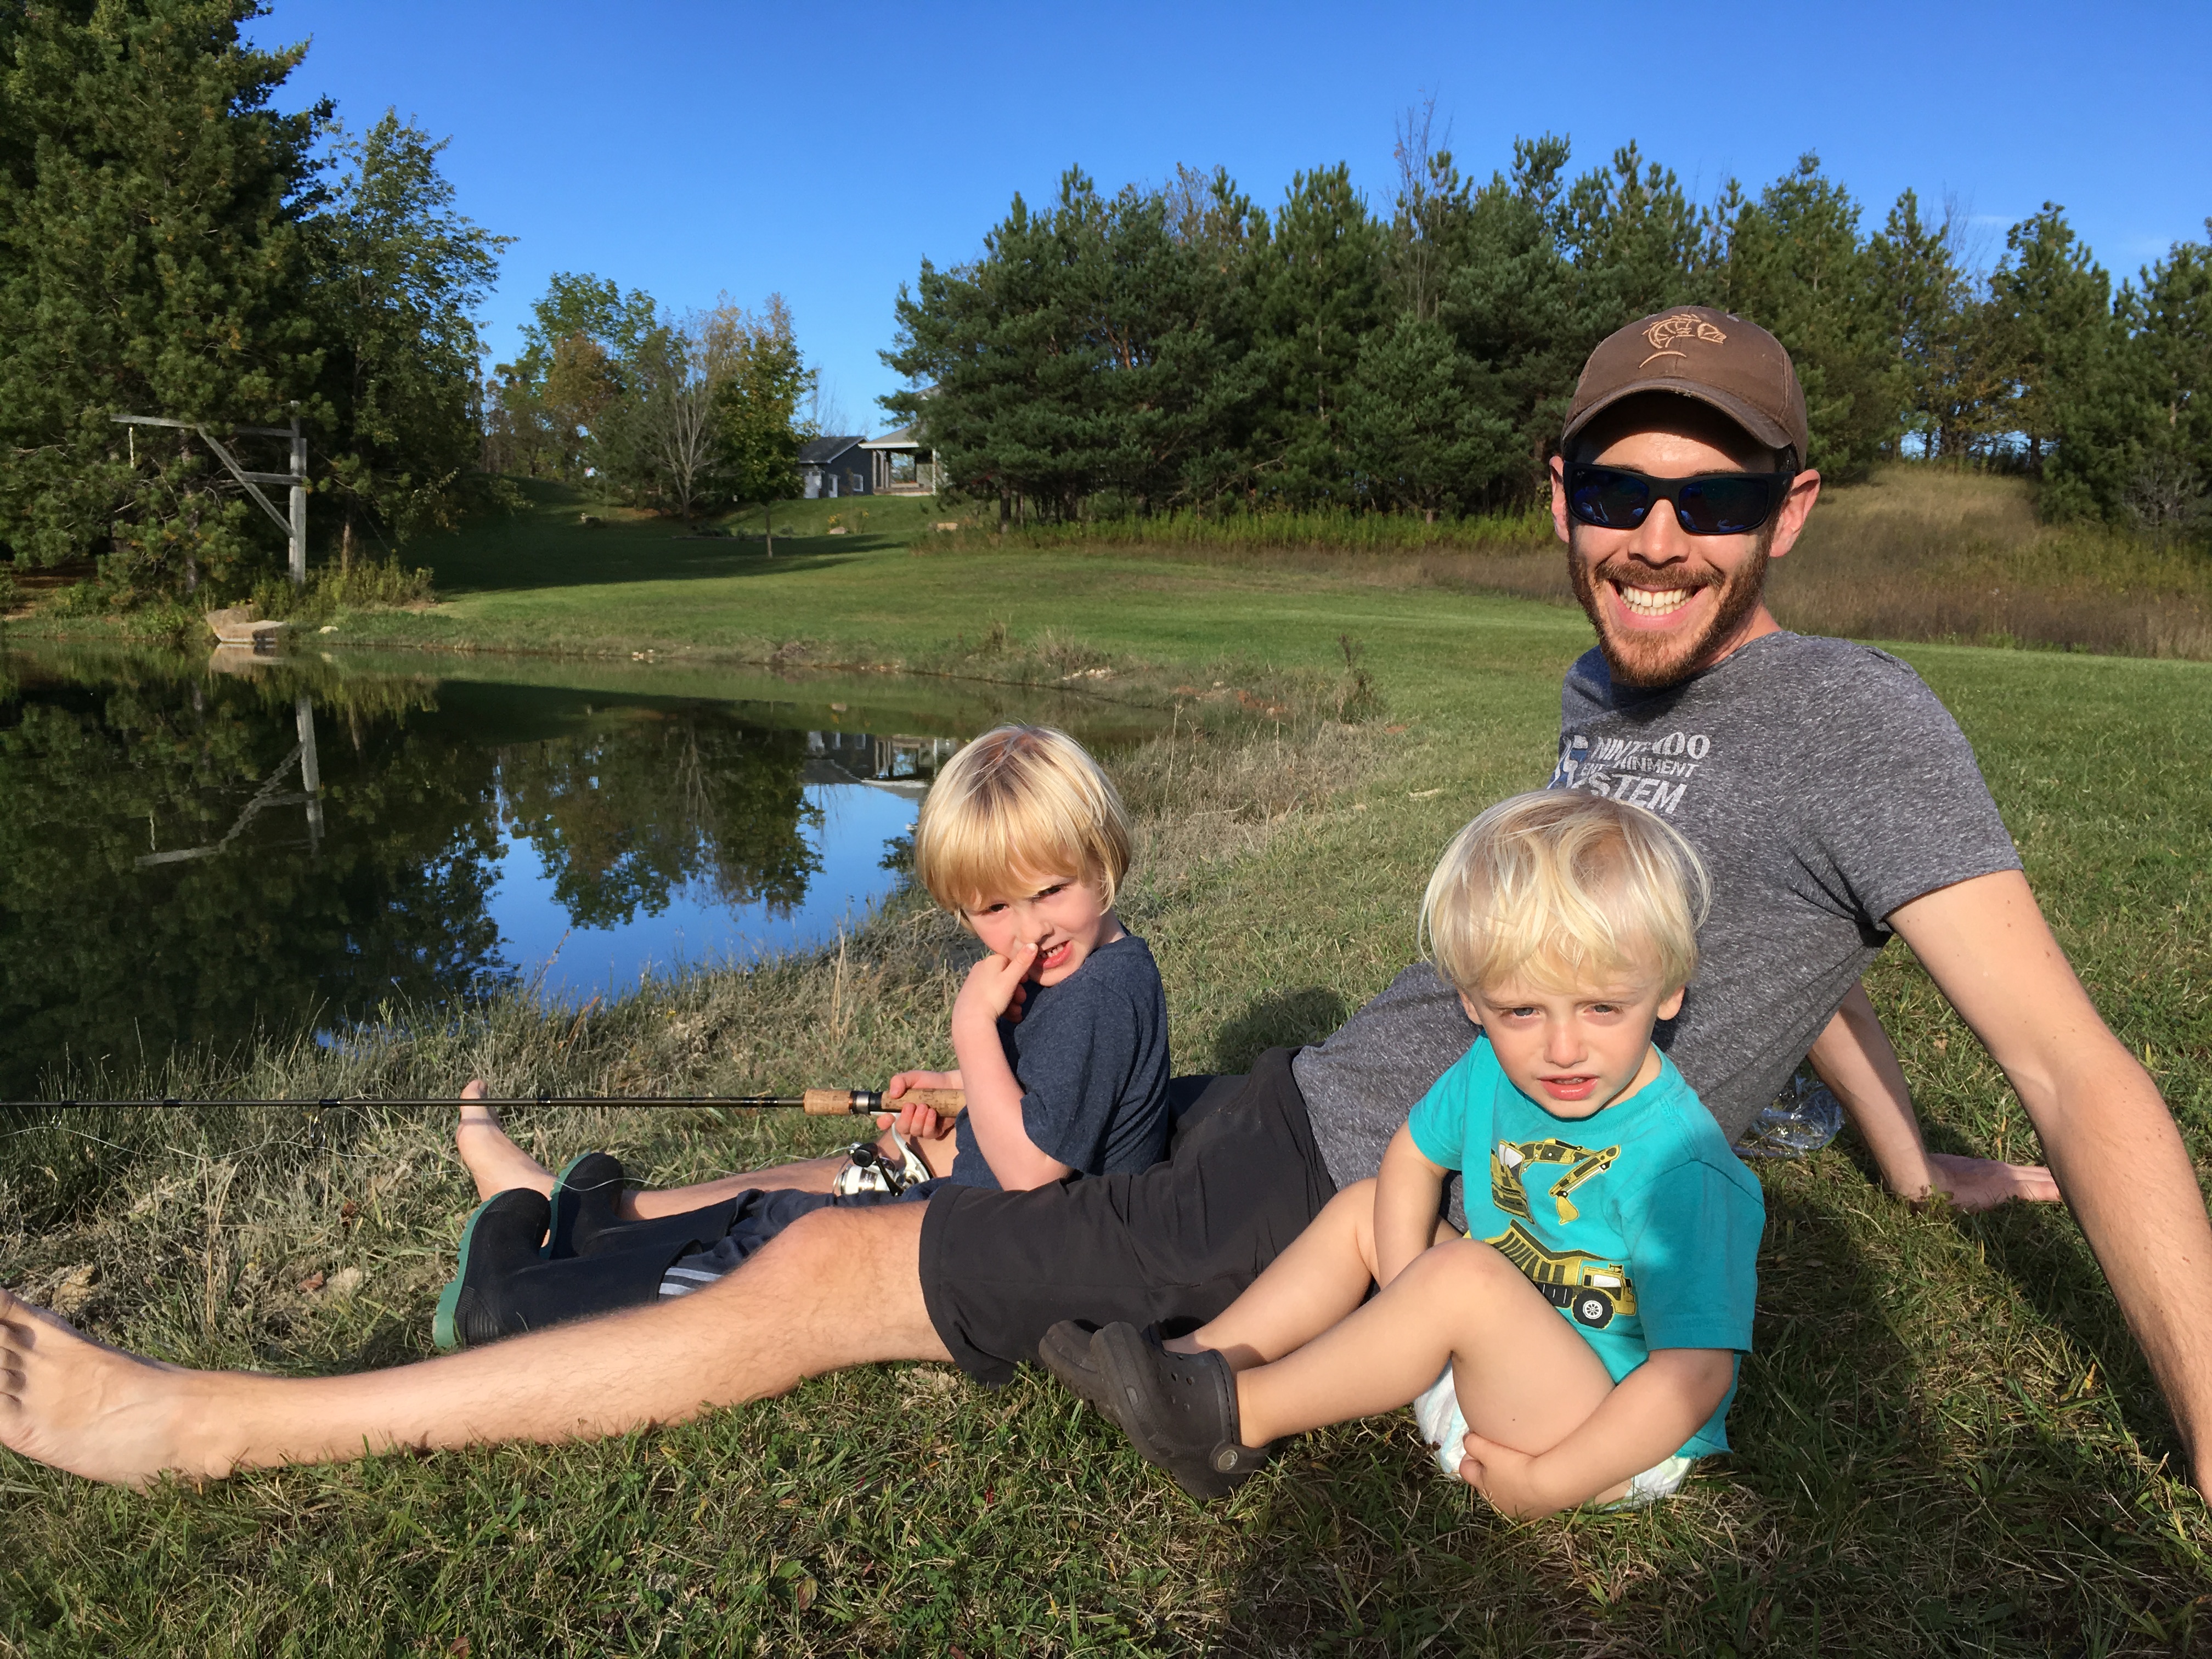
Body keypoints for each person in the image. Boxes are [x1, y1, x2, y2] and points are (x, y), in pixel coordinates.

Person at [5, 308, 2207, 1497]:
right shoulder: (1606, 675)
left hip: (1353, 1170)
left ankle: (197, 1426)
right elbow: (1705, 952)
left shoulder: (1867, 719)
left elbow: (2082, 1065)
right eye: (1616, 489)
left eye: (1708, 492)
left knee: (853, 1275)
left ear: (1789, 507)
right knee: (929, 1150)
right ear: (1561, 495)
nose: (1654, 532)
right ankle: (584, 1232)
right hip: (1322, 1106)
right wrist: (1908, 1161)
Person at [1049, 792, 1763, 1516]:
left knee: (1465, 1278)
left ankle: (1236, 1421)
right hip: (1495, 1362)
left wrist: (1550, 1483)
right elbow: (1413, 1157)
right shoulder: (1491, 1070)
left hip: (1603, 1438)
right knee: (1366, 1205)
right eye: (1522, 1010)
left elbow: (1693, 1377)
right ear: (1471, 1003)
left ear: (1669, 990)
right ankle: (1195, 1364)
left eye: (1603, 1007)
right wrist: (1405, 1303)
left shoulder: (1682, 1167)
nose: (1563, 1048)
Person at [432, 723, 1174, 1348]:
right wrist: (962, 1089)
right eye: (994, 908)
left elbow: (1029, 1171)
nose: (1031, 929)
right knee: (770, 1217)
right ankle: (583, 1234)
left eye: (1050, 891)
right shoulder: (1089, 970)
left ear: (1102, 853)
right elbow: (1059, 1104)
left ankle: (519, 1307)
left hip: (1016, 1254)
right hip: (994, 1231)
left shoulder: (1098, 991)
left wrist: (973, 1028)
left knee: (766, 1257)